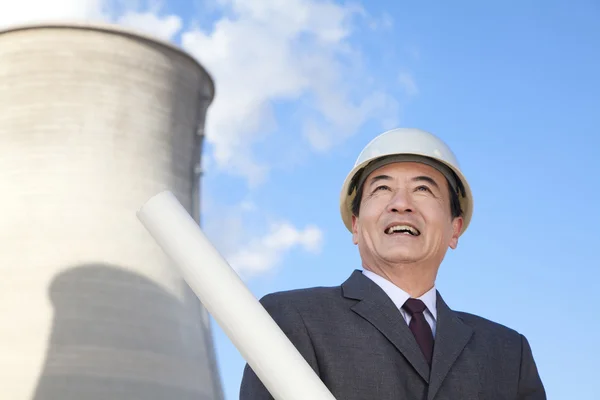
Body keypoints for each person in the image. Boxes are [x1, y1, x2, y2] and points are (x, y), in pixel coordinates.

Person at [239, 128, 546, 399]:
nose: (401, 204)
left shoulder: (508, 352)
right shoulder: (293, 319)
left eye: (423, 189)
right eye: (382, 188)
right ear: (356, 226)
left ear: (455, 229)